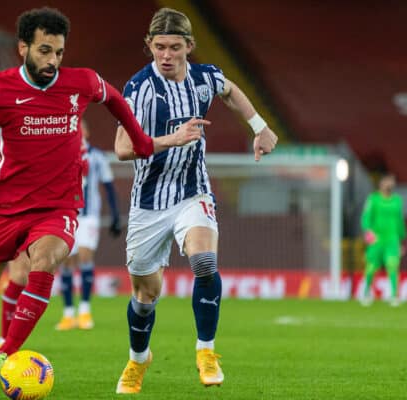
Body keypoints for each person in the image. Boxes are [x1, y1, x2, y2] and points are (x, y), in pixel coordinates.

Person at [0, 7, 207, 394]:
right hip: (5, 210)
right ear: (23, 48)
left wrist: (142, 141)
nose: (53, 61)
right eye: (45, 51)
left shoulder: (80, 83)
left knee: (46, 261)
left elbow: (114, 98)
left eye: (59, 53)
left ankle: (4, 353)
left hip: (57, 208)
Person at [113, 8, 278, 394]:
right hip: (149, 202)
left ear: (189, 46)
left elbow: (230, 90)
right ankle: (139, 360)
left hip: (193, 191)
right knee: (144, 295)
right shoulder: (139, 89)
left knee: (205, 262)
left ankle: (206, 351)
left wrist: (260, 127)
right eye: (159, 48)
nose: (166, 56)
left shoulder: (204, 78)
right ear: (149, 47)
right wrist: (173, 138)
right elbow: (121, 148)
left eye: (174, 47)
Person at [55, 120, 122, 331]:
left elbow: (109, 187)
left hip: (88, 215)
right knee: (66, 260)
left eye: (81, 127)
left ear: (87, 130)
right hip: (66, 214)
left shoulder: (97, 156)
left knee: (84, 256)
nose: (78, 131)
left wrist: (115, 214)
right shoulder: (61, 153)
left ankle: (84, 310)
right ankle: (68, 313)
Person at [360, 173, 406, 307]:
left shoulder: (397, 200)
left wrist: (402, 239)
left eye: (392, 181)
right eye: (387, 181)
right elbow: (366, 217)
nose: (390, 183)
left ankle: (394, 296)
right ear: (381, 183)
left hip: (392, 238)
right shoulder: (373, 199)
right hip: (377, 239)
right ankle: (366, 293)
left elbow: (399, 220)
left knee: (393, 265)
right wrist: (368, 231)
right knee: (371, 267)